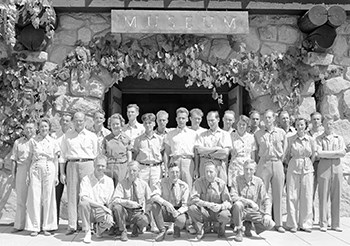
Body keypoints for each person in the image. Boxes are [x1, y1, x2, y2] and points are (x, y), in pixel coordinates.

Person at [60, 112, 99, 235]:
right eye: (76, 120)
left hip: (88, 164)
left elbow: (96, 154)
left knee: (88, 194)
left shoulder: (92, 136)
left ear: (85, 121)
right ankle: (72, 225)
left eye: (81, 120)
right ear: (73, 121)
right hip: (72, 164)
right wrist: (62, 173)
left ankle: (89, 225)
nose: (79, 122)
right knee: (72, 195)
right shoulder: (67, 136)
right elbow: (62, 155)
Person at [254, 109, 287, 233]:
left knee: (278, 193)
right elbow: (256, 151)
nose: (267, 120)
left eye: (269, 117)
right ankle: (261, 222)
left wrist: (279, 160)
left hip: (277, 162)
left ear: (274, 118)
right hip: (264, 163)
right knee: (261, 193)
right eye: (265, 117)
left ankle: (278, 223)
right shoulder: (258, 134)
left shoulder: (281, 133)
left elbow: (285, 149)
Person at [25, 118, 59, 236]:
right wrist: (27, 175)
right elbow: (29, 158)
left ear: (49, 128)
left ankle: (47, 226)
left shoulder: (54, 141)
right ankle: (34, 226)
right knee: (34, 196)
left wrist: (56, 176)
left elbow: (56, 159)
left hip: (49, 167)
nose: (43, 129)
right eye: (41, 127)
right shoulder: (33, 141)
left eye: (45, 126)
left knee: (48, 197)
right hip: (35, 167)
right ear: (38, 128)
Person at [230, 160, 275, 242]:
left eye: (251, 169)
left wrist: (268, 214)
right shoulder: (236, 179)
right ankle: (239, 230)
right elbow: (233, 196)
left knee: (270, 224)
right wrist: (249, 202)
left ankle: (248, 224)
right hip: (239, 211)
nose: (248, 172)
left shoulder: (259, 181)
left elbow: (266, 199)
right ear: (243, 169)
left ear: (255, 170)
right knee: (238, 204)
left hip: (252, 211)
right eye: (246, 169)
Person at [316, 115, 346, 232]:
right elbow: (319, 153)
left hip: (337, 167)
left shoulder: (339, 138)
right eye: (327, 124)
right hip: (324, 167)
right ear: (323, 125)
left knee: (336, 195)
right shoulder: (319, 138)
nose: (329, 126)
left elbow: (343, 153)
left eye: (331, 124)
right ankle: (323, 223)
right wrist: (335, 153)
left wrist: (329, 153)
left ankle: (335, 223)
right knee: (323, 195)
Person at [285, 117, 315, 233]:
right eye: (298, 124)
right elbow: (287, 155)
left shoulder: (311, 140)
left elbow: (313, 154)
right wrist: (293, 163)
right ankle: (292, 223)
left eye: (302, 124)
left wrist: (307, 164)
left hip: (307, 168)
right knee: (292, 195)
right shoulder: (291, 139)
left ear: (305, 126)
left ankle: (306, 223)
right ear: (295, 126)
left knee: (307, 196)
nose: (300, 127)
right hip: (293, 167)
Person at [188, 162, 231, 240]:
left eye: (211, 172)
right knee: (192, 208)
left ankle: (221, 228)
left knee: (226, 214)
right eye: (206, 171)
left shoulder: (221, 183)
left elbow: (228, 202)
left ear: (216, 172)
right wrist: (207, 204)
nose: (208, 174)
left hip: (217, 212)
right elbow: (193, 199)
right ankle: (200, 229)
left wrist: (220, 206)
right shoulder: (198, 182)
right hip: (205, 211)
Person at [79, 155, 115, 243]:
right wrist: (101, 206)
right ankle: (87, 231)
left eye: (103, 166)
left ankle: (99, 230)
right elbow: (84, 198)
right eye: (98, 165)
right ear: (94, 165)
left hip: (101, 211)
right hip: (89, 209)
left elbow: (110, 200)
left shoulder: (109, 181)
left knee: (109, 222)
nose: (100, 168)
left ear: (106, 167)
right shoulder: (86, 179)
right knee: (83, 204)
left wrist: (109, 214)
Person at [112, 161, 151, 241]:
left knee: (145, 219)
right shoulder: (121, 183)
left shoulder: (143, 184)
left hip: (138, 212)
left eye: (134, 170)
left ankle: (137, 226)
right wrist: (127, 202)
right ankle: (123, 231)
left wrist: (146, 212)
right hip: (126, 212)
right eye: (130, 171)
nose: (132, 173)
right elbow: (115, 200)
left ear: (138, 171)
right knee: (117, 207)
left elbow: (150, 200)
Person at [151, 162, 189, 241]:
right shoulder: (161, 182)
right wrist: (166, 203)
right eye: (172, 172)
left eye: (177, 172)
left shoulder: (184, 186)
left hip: (177, 210)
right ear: (168, 173)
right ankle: (162, 230)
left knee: (181, 220)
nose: (175, 174)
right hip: (166, 209)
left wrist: (178, 212)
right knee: (155, 205)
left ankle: (177, 228)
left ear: (179, 173)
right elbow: (154, 196)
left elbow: (185, 205)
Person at [10, 121, 36, 233]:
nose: (29, 130)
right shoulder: (18, 142)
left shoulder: (37, 141)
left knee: (34, 198)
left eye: (31, 128)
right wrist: (13, 176)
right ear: (23, 130)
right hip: (21, 169)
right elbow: (13, 160)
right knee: (21, 198)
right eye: (27, 128)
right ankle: (19, 224)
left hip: (34, 169)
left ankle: (34, 226)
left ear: (35, 129)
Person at [164, 107, 197, 190]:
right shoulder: (170, 134)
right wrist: (166, 168)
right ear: (176, 119)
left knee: (188, 186)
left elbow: (196, 153)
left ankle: (188, 203)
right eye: (179, 118)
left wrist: (196, 168)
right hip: (175, 161)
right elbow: (166, 152)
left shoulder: (193, 134)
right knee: (174, 186)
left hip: (188, 162)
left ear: (187, 119)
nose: (181, 120)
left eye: (183, 118)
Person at [196, 111, 232, 183]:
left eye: (212, 120)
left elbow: (225, 153)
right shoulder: (202, 135)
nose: (210, 123)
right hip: (205, 166)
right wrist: (216, 149)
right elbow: (199, 150)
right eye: (208, 121)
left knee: (220, 189)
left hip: (219, 166)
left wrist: (206, 153)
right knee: (204, 190)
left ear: (218, 119)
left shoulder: (225, 134)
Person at [51, 113, 72, 225]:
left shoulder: (73, 135)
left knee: (73, 195)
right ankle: (54, 222)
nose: (65, 122)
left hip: (70, 164)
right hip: (57, 166)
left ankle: (74, 222)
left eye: (67, 120)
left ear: (71, 122)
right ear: (60, 122)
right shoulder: (54, 136)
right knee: (56, 195)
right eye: (63, 120)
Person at [102, 113, 132, 187]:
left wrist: (129, 166)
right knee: (109, 187)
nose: (115, 126)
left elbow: (129, 153)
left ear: (121, 124)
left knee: (120, 187)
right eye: (113, 124)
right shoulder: (106, 139)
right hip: (109, 166)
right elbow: (103, 154)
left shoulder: (126, 138)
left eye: (117, 124)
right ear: (110, 125)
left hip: (122, 166)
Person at [228, 115, 256, 188]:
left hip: (247, 167)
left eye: (243, 125)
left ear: (247, 126)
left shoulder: (251, 137)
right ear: (236, 124)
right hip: (235, 167)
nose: (241, 126)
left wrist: (253, 168)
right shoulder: (231, 136)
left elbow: (253, 155)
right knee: (234, 189)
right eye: (239, 124)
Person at [308, 112, 324, 217]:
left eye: (318, 119)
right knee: (310, 191)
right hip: (311, 163)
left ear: (321, 121)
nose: (316, 121)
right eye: (314, 119)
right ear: (311, 121)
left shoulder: (324, 133)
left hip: (323, 163)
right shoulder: (307, 133)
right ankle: (311, 216)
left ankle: (324, 218)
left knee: (323, 191)